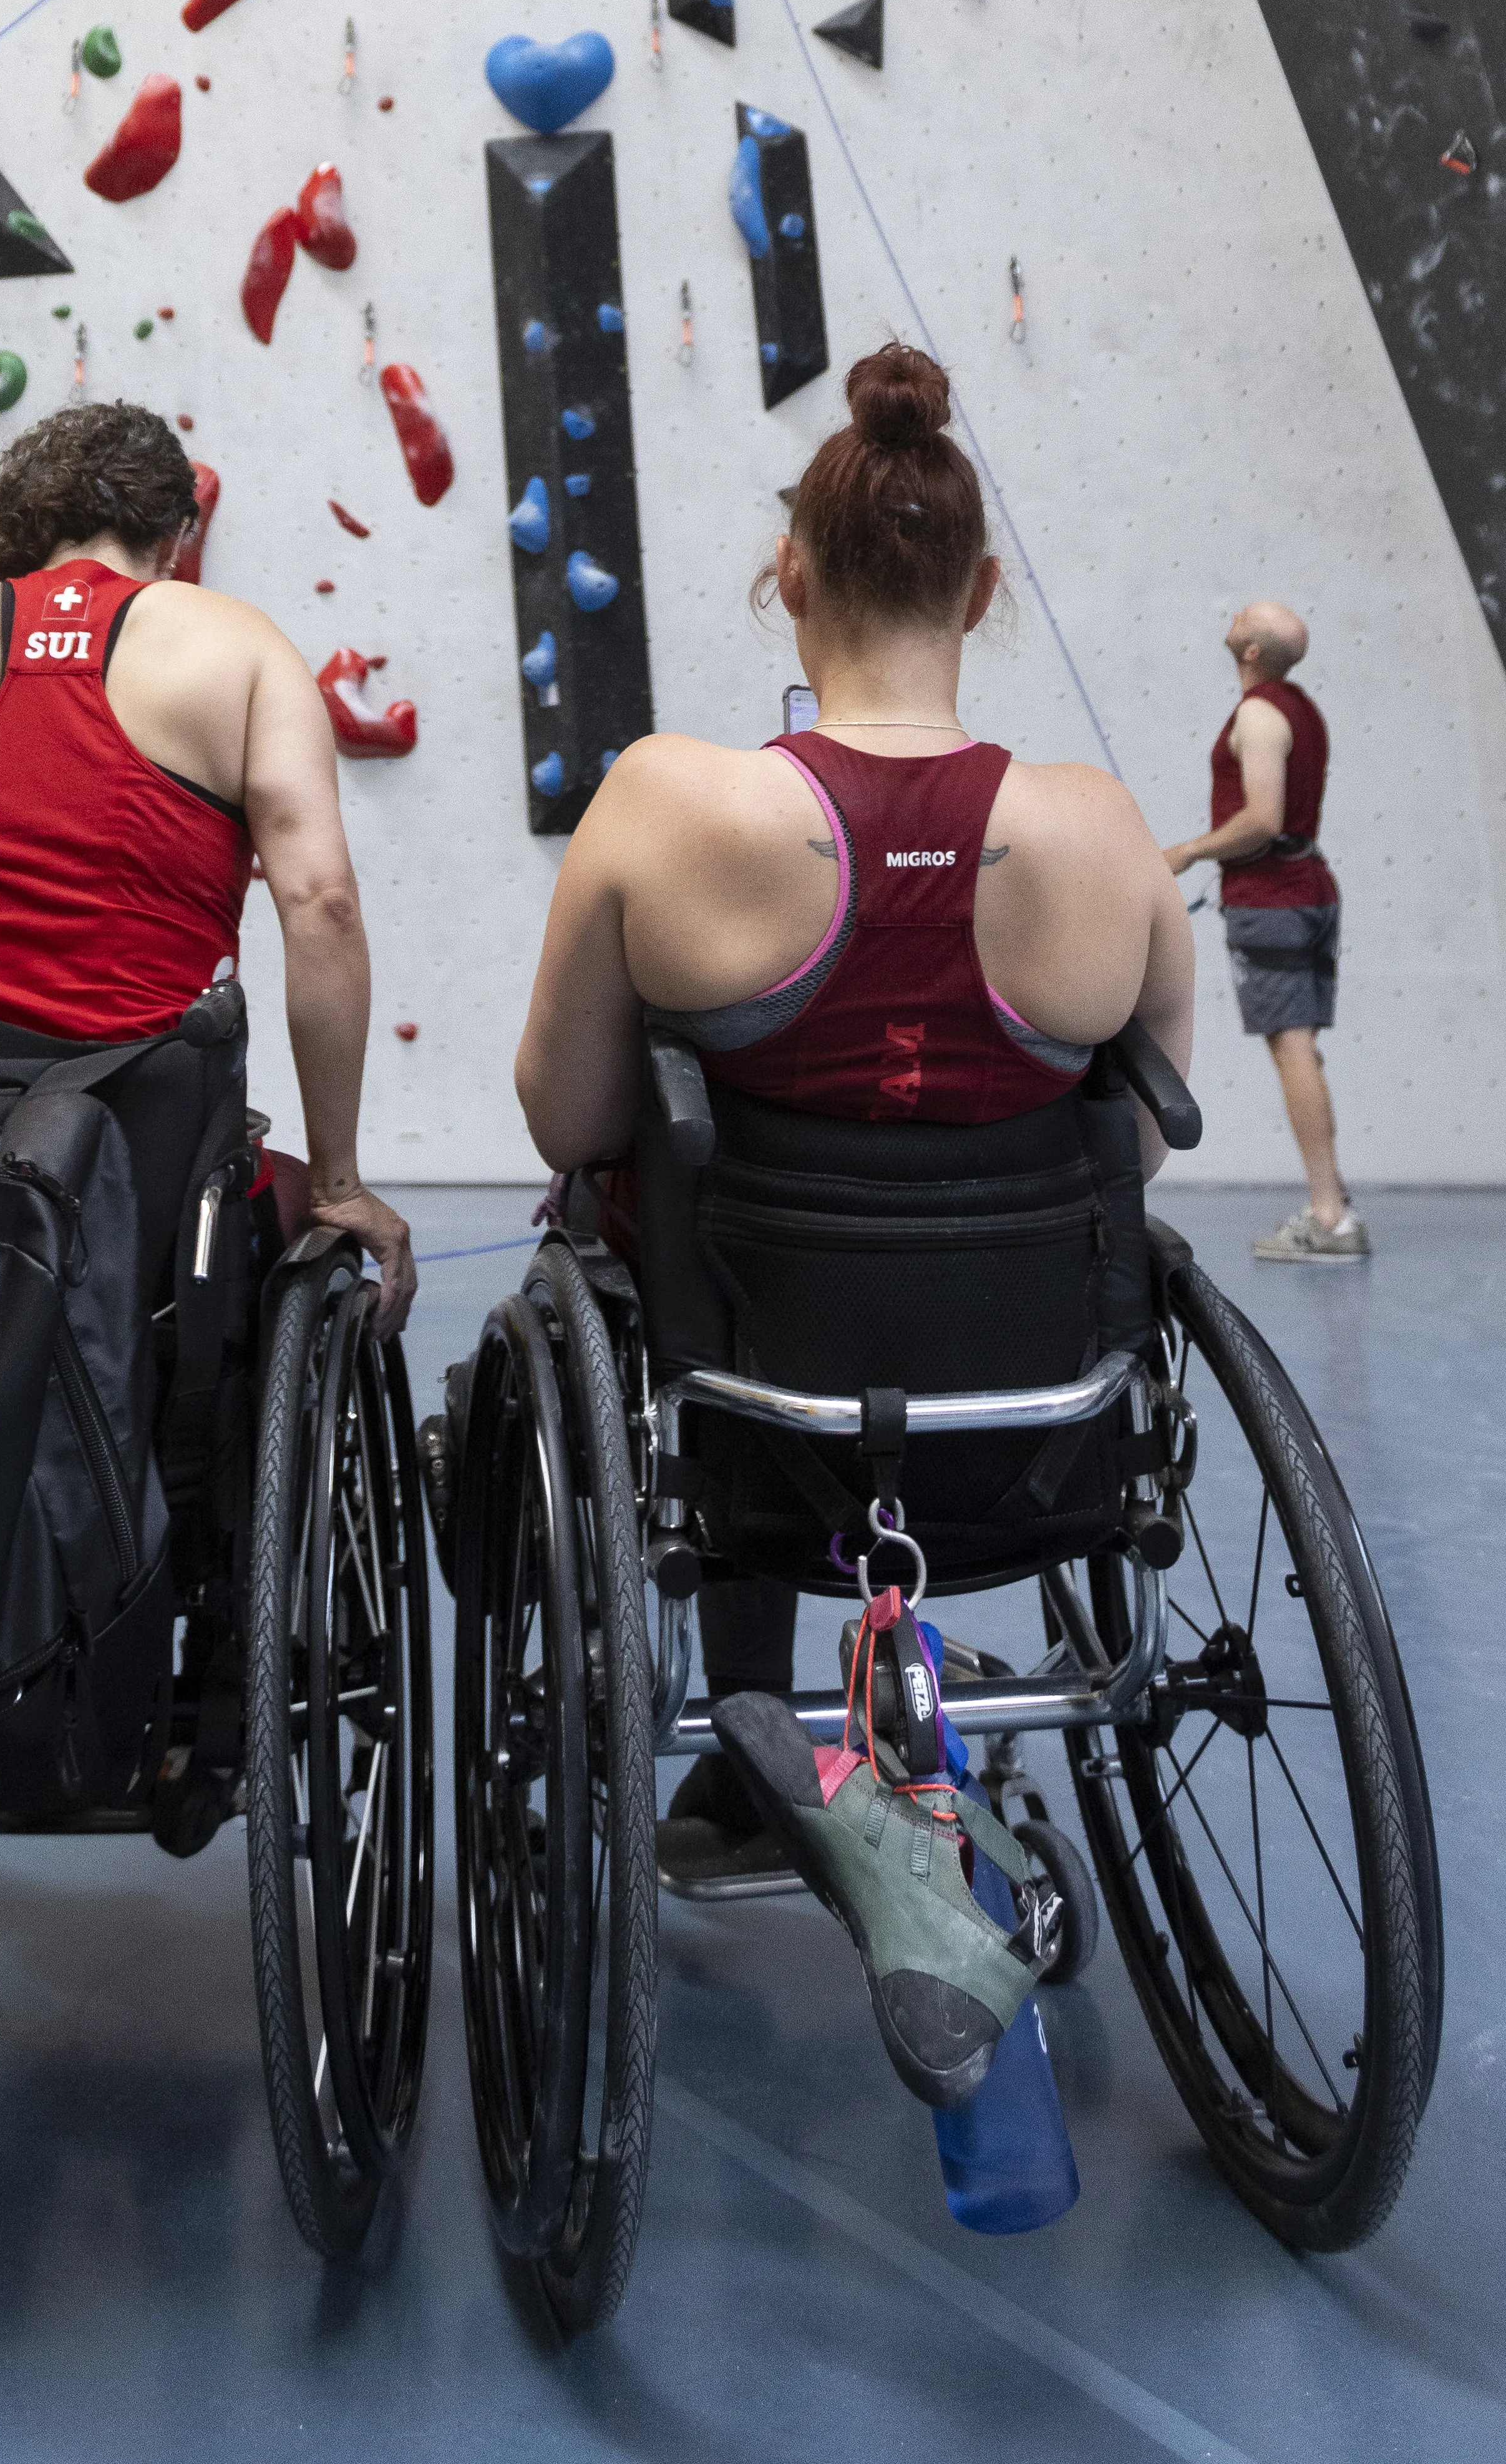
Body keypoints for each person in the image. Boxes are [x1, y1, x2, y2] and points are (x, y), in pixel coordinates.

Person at [512, 344, 1192, 2102]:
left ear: (786, 578)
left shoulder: (671, 803)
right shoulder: (1106, 835)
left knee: (632, 1228)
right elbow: (1139, 1149)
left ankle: (747, 1746)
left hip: (752, 1438)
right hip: (1035, 1440)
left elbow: (568, 1122)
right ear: (982, 592)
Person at [0, 399, 414, 1328]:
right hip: (145, 1143)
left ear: (14, 534)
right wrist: (337, 1182)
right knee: (284, 1205)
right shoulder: (238, 648)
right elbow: (322, 904)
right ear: (175, 537)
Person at [1167, 598, 1363, 1264]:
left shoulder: (1256, 714)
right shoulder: (1300, 709)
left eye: (1240, 617)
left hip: (1274, 900)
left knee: (1292, 1049)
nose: (1228, 616)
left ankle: (1329, 1219)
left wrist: (1189, 851)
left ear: (1251, 651)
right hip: (1307, 891)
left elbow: (1262, 819)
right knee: (1301, 1048)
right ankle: (1330, 1201)